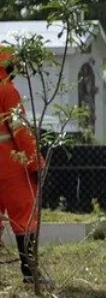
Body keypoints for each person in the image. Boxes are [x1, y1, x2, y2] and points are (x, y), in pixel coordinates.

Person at [0, 49, 44, 283]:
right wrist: (35, 162)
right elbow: (20, 131)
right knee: (24, 216)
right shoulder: (7, 91)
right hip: (9, 165)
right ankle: (30, 273)